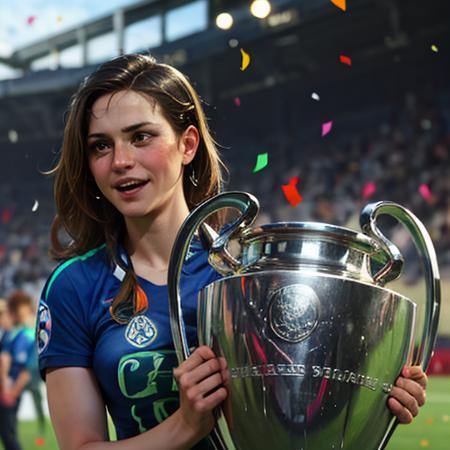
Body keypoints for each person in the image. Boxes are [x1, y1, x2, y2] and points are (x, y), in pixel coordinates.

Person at [37, 53, 427, 450]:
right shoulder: (73, 286)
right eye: (101, 146)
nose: (120, 161)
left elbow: (306, 408)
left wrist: (371, 392)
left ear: (187, 144)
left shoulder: (252, 273)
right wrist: (184, 426)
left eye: (141, 137)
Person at [0, 290, 36, 450]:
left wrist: (10, 391)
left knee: (8, 434)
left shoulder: (25, 335)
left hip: (9, 389)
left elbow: (26, 370)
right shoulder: (10, 334)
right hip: (7, 388)